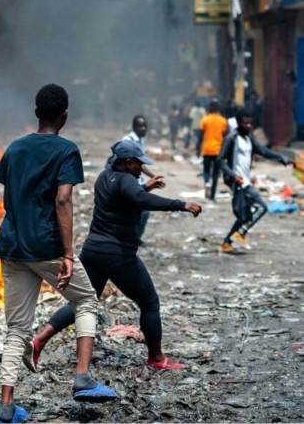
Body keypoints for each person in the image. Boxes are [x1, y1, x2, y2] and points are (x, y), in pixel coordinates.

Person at [0, 84, 117, 424]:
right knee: (86, 300)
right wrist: (68, 254)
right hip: (46, 245)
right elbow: (63, 199)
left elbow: (8, 199)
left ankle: (6, 407)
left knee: (17, 329)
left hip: (12, 246)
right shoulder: (66, 150)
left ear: (36, 113)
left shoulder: (15, 148)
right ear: (65, 115)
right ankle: (82, 377)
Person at [28, 140, 202, 378]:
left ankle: (39, 340)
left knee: (82, 302)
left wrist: (145, 187)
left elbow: (126, 199)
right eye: (138, 164)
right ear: (127, 163)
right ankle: (157, 357)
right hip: (118, 254)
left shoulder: (104, 177)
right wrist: (181, 205)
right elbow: (141, 200)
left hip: (93, 251)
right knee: (150, 302)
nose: (141, 168)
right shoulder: (127, 180)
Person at [218, 109, 289, 253]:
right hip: (239, 183)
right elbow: (220, 160)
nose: (249, 126)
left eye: (250, 123)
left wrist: (283, 159)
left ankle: (226, 243)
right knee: (261, 207)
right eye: (245, 123)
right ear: (239, 123)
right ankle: (240, 233)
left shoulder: (249, 139)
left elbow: (263, 151)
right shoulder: (231, 139)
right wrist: (232, 175)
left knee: (244, 216)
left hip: (246, 181)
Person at [123, 115, 155, 241]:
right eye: (140, 126)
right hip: (130, 182)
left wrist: (152, 176)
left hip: (138, 182)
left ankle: (134, 238)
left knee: (140, 211)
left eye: (145, 126)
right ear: (134, 127)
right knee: (142, 210)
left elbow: (140, 164)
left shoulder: (140, 140)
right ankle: (132, 238)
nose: (143, 129)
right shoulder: (128, 141)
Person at [198, 100, 228, 201]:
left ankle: (207, 183)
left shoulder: (205, 120)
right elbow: (225, 136)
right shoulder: (223, 121)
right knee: (215, 173)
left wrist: (198, 148)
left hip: (207, 149)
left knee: (206, 170)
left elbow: (200, 136)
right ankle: (213, 196)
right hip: (218, 150)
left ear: (209, 108)